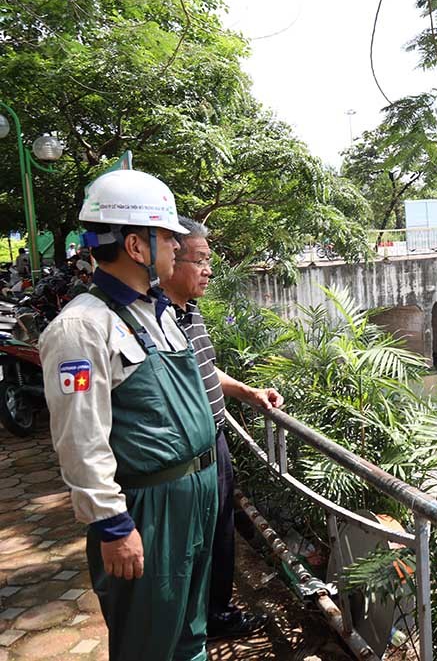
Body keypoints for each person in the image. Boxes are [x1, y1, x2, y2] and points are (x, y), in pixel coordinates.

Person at [39, 169, 218, 661]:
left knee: (190, 629)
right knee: (148, 639)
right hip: (148, 508)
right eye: (169, 240)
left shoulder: (157, 311)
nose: (178, 251)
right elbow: (80, 440)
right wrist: (112, 526)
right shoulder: (81, 328)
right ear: (137, 246)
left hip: (195, 493)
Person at [160, 216, 282, 640]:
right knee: (195, 540)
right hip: (186, 454)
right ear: (168, 260)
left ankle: (216, 613)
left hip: (215, 441)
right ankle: (196, 622)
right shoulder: (157, 321)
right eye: (200, 260)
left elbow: (206, 369)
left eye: (209, 259)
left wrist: (249, 393)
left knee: (220, 532)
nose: (208, 270)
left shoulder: (189, 311)